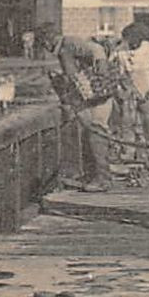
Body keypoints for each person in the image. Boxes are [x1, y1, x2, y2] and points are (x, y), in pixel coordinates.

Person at [42, 23, 119, 193]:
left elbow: (96, 49)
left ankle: (103, 178)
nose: (45, 47)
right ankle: (92, 174)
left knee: (96, 132)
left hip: (98, 93)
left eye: (44, 42)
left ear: (49, 39)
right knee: (88, 134)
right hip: (85, 96)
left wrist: (101, 66)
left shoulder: (69, 43)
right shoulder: (61, 51)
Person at [115, 21, 149, 188]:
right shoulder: (120, 51)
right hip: (129, 95)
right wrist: (124, 90)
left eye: (133, 40)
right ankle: (130, 160)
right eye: (128, 40)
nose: (131, 43)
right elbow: (117, 72)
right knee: (128, 126)